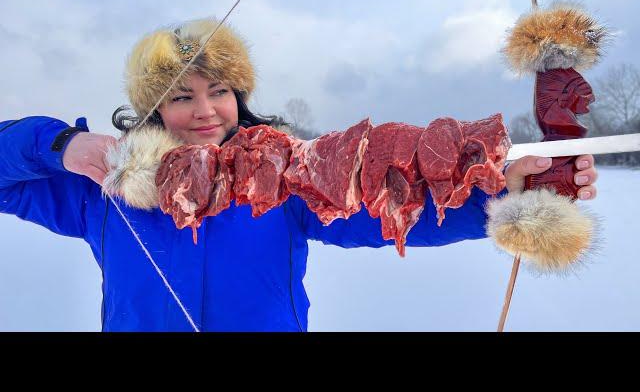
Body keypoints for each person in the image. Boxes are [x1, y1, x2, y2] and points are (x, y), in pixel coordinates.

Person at [0, 18, 598, 332]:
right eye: (182, 96)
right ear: (156, 109)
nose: (205, 110)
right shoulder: (101, 191)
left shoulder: (282, 180)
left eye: (220, 90)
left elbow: (395, 211)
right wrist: (58, 144)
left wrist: (503, 195)